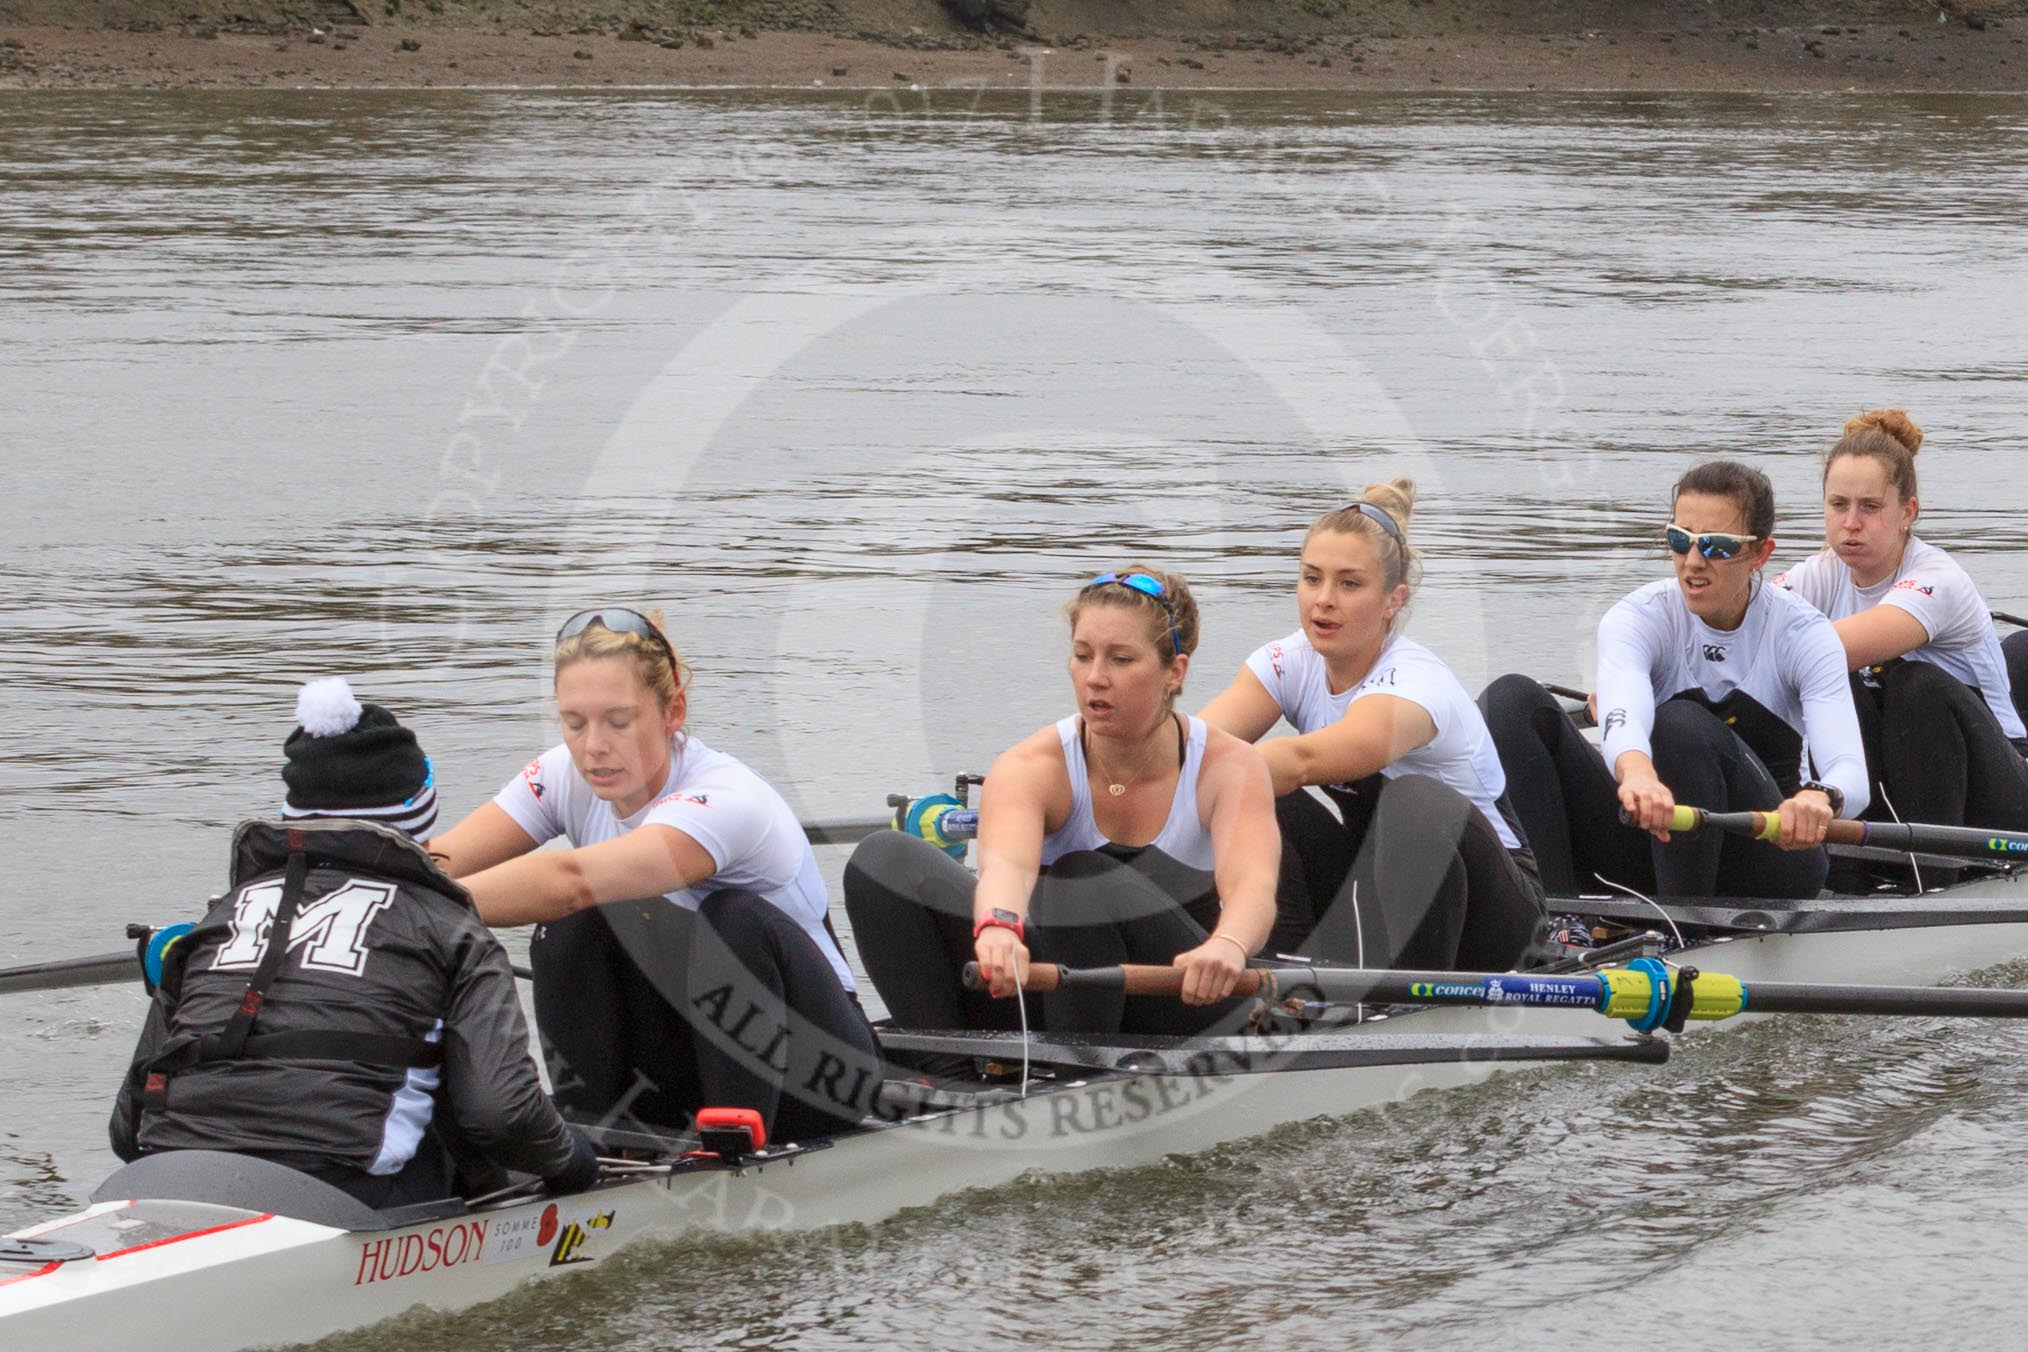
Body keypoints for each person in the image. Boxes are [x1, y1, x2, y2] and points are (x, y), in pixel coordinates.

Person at [110, 678, 598, 1209]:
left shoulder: (221, 918)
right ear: (418, 815)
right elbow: (502, 1113)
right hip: (336, 1194)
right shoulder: (452, 928)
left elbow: (127, 1126)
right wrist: (573, 1162)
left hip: (167, 1174)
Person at [429, 608, 881, 1143]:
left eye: (618, 722)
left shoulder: (729, 800)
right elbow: (436, 862)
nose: (593, 745)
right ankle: (589, 1138)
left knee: (722, 918)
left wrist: (407, 906)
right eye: (575, 723)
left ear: (673, 712)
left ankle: (735, 1149)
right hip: (693, 1049)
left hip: (819, 1071)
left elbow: (568, 879)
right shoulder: (563, 774)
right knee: (569, 932)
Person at [844, 569, 1279, 1036]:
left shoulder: (1229, 767)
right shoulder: (1032, 766)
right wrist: (998, 927)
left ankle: (1075, 1069)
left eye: (1121, 659)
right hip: (1062, 988)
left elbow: (1251, 887)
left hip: (1187, 995)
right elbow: (1006, 867)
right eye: (1082, 655)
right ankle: (940, 1064)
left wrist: (1230, 945)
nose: (1095, 678)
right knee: (881, 858)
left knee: (1083, 875)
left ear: (1174, 672)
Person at [1198, 480, 1546, 972]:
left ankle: (1404, 1008)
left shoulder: (1414, 683)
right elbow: (1192, 744)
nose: (1323, 600)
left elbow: (1300, 762)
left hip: (1497, 915)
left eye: (1349, 583)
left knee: (1410, 800)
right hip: (1379, 890)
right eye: (1311, 578)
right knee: (1260, 796)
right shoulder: (1287, 661)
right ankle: (1281, 974)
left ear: (1392, 600)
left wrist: (1197, 778)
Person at [1481, 460, 1868, 900]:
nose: (1693, 562)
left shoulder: (1804, 635)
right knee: (1510, 701)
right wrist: (1637, 772)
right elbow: (1622, 708)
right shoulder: (1639, 617)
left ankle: (1683, 924)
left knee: (1680, 724)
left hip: (1768, 854)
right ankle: (1557, 915)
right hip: (1656, 840)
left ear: (1760, 553)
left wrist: (1819, 800)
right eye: (1679, 541)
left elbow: (1849, 771)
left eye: (1717, 546)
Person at [1772, 409, 2028, 837]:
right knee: (1840, 689)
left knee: (1912, 685)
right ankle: (1849, 867)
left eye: (1870, 507)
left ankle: (1931, 876)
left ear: (1907, 511)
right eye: (1839, 505)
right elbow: (1749, 620)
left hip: (2004, 783)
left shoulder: (1937, 580)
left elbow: (1823, 649)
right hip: (1909, 780)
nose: (1851, 523)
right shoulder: (1819, 574)